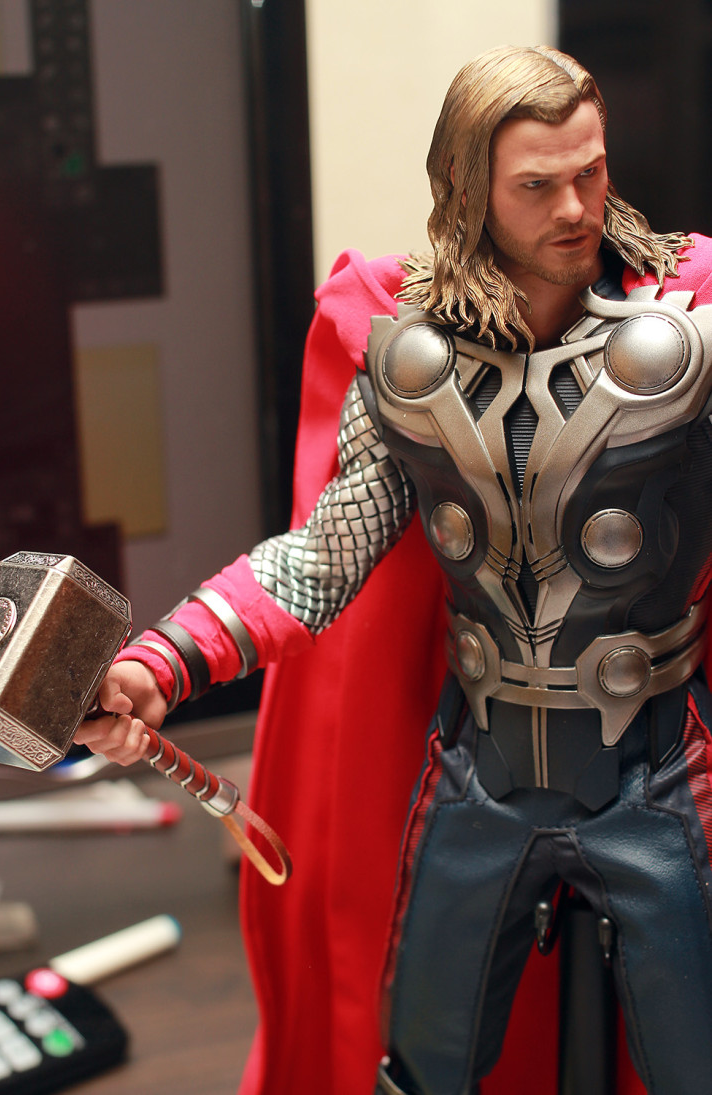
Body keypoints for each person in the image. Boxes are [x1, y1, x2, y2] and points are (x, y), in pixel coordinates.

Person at [75, 45, 712, 1095]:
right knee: (418, 1069)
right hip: (483, 777)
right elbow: (325, 556)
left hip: (654, 774)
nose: (575, 209)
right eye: (537, 185)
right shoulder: (412, 364)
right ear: (466, 187)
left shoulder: (685, 334)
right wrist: (161, 664)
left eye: (590, 172)